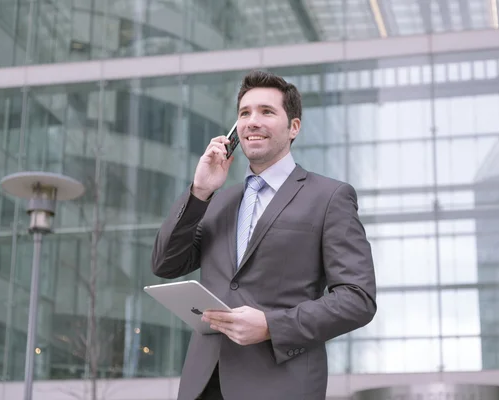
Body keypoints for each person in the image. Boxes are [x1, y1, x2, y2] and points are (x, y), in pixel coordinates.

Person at [151, 70, 377, 400]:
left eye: (266, 112)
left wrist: (273, 325)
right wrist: (199, 192)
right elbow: (165, 264)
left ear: (294, 127)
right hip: (203, 383)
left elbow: (358, 299)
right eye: (244, 113)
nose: (252, 122)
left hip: (280, 383)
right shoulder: (218, 200)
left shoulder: (330, 197)